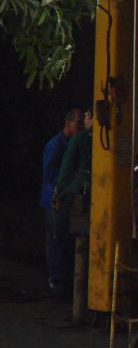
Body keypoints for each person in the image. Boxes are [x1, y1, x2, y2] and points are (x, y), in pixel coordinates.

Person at [42, 109, 81, 297]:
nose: (80, 128)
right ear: (68, 124)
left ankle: (62, 283)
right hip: (54, 199)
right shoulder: (55, 145)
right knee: (56, 241)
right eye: (78, 124)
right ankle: (57, 284)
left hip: (64, 198)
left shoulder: (70, 143)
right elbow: (50, 174)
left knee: (64, 241)